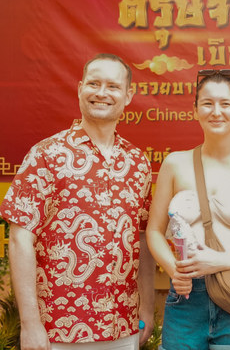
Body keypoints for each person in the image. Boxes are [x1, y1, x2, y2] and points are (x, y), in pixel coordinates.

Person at [0, 54, 155, 349]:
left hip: (123, 324)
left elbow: (143, 238)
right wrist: (30, 323)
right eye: (94, 83)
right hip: (57, 329)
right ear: (80, 87)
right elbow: (20, 240)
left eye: (112, 86)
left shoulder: (137, 162)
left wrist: (146, 307)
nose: (101, 93)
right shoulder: (46, 154)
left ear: (128, 95)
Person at [146, 69, 230, 350]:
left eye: (225, 104)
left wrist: (220, 261)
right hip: (186, 297)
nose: (216, 111)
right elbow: (154, 231)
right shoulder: (175, 164)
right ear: (195, 109)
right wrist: (174, 270)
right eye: (207, 103)